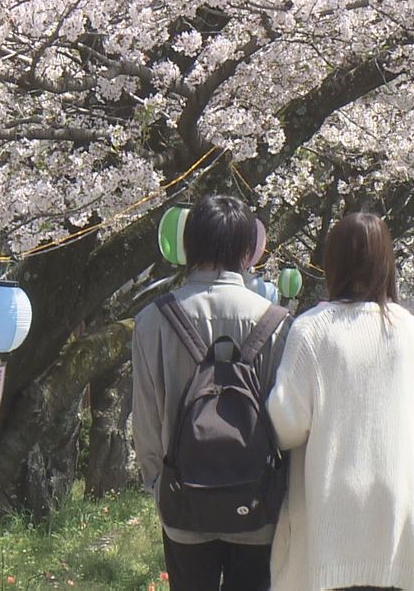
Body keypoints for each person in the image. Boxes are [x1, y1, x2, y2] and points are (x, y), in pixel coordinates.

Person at [267, 212, 414, 591]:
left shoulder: (312, 330)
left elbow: (285, 425)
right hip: (398, 526)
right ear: (387, 264)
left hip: (328, 524)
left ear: (332, 262)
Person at [132, 194, 290, 591]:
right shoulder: (276, 323)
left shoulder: (153, 320)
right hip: (255, 507)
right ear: (246, 251)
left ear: (189, 246)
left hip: (183, 501)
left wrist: (157, 484)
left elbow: (146, 420)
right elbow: (287, 420)